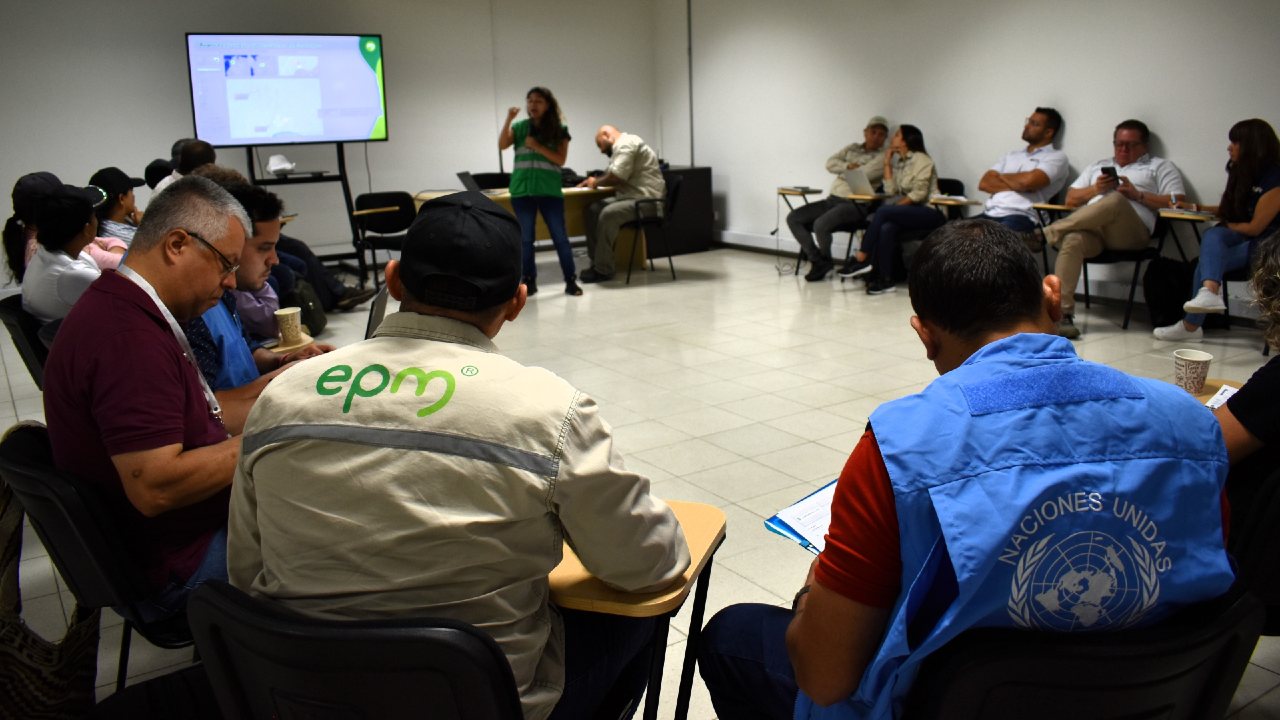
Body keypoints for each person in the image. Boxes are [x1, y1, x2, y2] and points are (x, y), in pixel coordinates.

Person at [699, 220, 1235, 720]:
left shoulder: (898, 445)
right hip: (1143, 700)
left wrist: (813, 592)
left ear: (924, 334)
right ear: (1053, 295)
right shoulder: (1192, 423)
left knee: (732, 634)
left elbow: (825, 677)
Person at [227, 191, 690, 720]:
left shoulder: (284, 395)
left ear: (394, 279)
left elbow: (246, 571)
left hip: (301, 696)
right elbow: (649, 566)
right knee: (639, 619)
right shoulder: (547, 411)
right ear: (516, 303)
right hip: (479, 702)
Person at [43, 175, 251, 621]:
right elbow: (155, 487)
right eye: (224, 264)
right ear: (177, 244)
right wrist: (271, 436)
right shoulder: (127, 338)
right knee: (331, 538)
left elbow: (206, 415)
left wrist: (289, 386)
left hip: (171, 546)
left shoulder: (125, 304)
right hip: (178, 572)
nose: (231, 283)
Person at [180, 182, 332, 406]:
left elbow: (245, 349)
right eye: (263, 248)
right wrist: (283, 377)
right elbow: (209, 408)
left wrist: (283, 360)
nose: (275, 260)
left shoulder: (224, 293)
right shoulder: (191, 310)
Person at [1044, 119, 1186, 339]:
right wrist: (1095, 189)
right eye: (1118, 144)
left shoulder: (1159, 167)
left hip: (1131, 234)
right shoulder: (1097, 166)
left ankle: (1047, 233)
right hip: (1095, 233)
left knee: (1116, 200)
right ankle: (1062, 315)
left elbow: (1179, 202)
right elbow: (1071, 198)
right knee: (1072, 239)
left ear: (1144, 146)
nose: (1123, 149)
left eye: (1130, 145)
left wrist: (1138, 195)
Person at [1154, 119, 1280, 342]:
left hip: (1267, 248)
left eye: (1235, 142)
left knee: (1208, 258)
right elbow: (1228, 211)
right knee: (1213, 236)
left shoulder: (1275, 177)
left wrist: (1226, 224)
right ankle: (1208, 294)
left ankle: (1192, 324)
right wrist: (1195, 208)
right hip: (1245, 241)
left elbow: (1255, 227)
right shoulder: (1242, 172)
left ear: (1253, 145)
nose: (1229, 147)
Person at [837, 125, 942, 295]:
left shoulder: (922, 159)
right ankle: (886, 279)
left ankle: (862, 257)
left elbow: (919, 194)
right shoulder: (901, 161)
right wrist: (887, 163)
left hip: (930, 211)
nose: (893, 137)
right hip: (912, 211)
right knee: (887, 227)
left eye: (897, 135)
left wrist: (893, 209)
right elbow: (891, 191)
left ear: (906, 140)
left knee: (884, 212)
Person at [499, 86, 582, 296]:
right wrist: (509, 118)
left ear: (548, 105)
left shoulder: (559, 130)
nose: (533, 105)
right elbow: (502, 145)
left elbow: (560, 160)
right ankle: (529, 281)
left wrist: (536, 145)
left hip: (549, 191)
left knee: (559, 237)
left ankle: (571, 280)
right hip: (522, 191)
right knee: (525, 240)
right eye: (530, 101)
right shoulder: (519, 127)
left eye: (538, 101)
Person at [787, 117, 889, 281]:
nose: (876, 137)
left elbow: (864, 173)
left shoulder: (883, 156)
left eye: (881, 134)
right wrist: (847, 166)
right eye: (873, 132)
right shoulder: (852, 148)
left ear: (885, 138)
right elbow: (829, 164)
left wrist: (843, 169)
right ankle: (819, 260)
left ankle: (823, 262)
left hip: (854, 204)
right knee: (794, 218)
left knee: (820, 224)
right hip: (832, 200)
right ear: (865, 132)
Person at [577, 125, 666, 282]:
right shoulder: (621, 147)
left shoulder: (626, 143)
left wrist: (595, 182)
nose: (601, 150)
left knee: (609, 213)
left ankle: (603, 270)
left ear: (606, 135)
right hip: (633, 198)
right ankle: (597, 262)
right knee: (592, 209)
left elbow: (617, 176)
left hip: (647, 201)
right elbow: (612, 173)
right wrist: (593, 180)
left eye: (600, 145)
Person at [5, 172, 125, 282]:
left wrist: (114, 244)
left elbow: (102, 243)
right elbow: (120, 262)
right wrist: (117, 246)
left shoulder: (34, 237)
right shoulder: (53, 245)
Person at [973, 108, 1069, 233]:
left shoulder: (1056, 157)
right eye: (1028, 121)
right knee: (949, 233)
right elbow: (984, 184)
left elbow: (1027, 183)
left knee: (989, 238)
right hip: (991, 213)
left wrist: (1001, 176)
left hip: (1023, 216)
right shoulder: (1011, 155)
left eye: (1034, 124)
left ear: (1048, 132)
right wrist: (1020, 182)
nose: (1027, 126)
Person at [89, 166, 146, 244]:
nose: (133, 196)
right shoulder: (131, 239)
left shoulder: (97, 227)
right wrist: (146, 226)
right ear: (121, 198)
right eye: (131, 191)